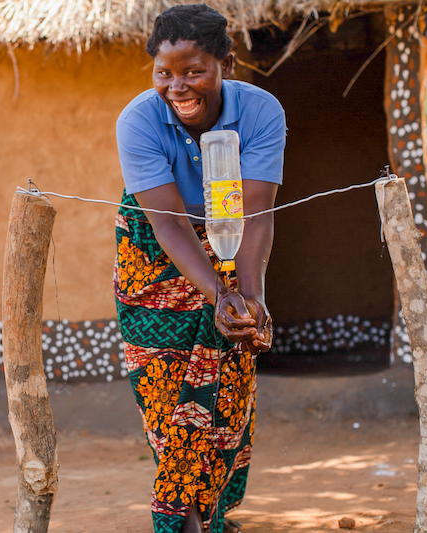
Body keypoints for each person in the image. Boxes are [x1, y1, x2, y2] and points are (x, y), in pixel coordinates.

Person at [113, 4, 286, 533]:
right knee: (163, 387)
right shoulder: (139, 120)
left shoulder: (260, 113)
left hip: (230, 239)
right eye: (164, 73)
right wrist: (217, 293)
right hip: (150, 255)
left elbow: (255, 212)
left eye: (194, 71)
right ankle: (183, 520)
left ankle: (207, 512)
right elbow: (167, 226)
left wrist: (248, 299)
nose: (177, 86)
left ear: (226, 65)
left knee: (228, 377)